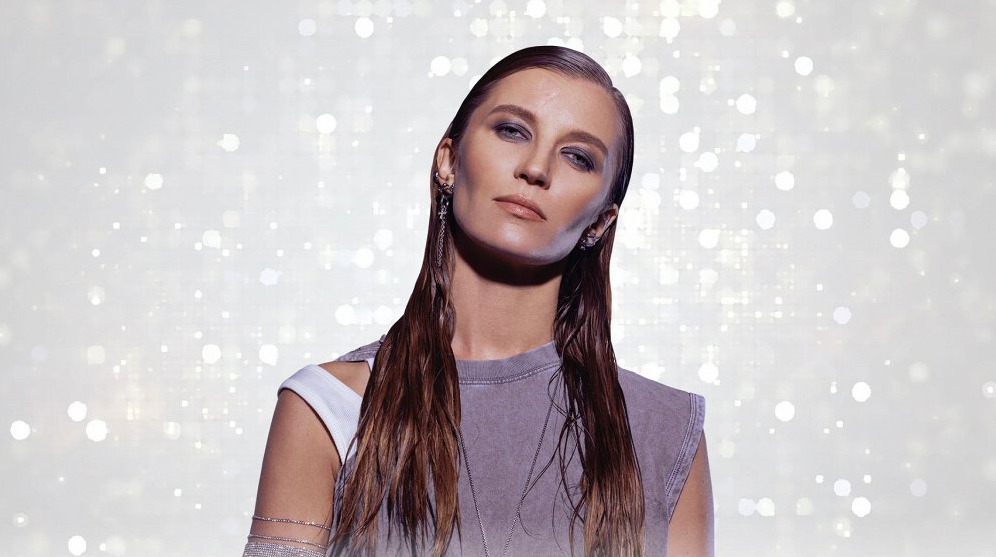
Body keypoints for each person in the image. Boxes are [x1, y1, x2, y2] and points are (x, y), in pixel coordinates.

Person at [242, 45, 713, 557]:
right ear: (448, 160)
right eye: (512, 130)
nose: (536, 167)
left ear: (600, 221)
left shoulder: (665, 428)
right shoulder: (331, 407)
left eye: (577, 156)